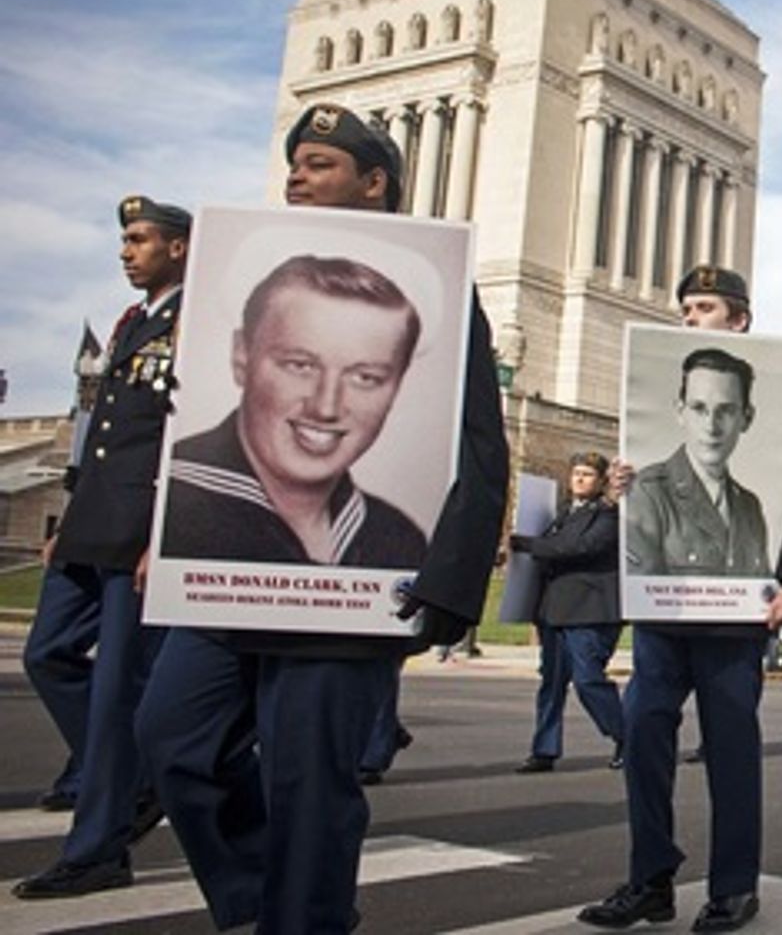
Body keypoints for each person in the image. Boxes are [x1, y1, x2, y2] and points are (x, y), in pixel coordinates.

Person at [137, 103, 510, 935]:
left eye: (319, 164)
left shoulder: (445, 297)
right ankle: (271, 899)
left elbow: (479, 442)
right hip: (221, 582)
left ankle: (300, 915)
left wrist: (449, 581)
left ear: (373, 183)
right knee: (173, 742)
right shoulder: (236, 331)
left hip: (352, 600)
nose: (297, 178)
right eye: (295, 163)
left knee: (311, 785)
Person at [578, 265, 782, 934]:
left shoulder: (751, 493)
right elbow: (637, 542)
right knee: (645, 737)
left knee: (733, 753)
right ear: (681, 410)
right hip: (665, 621)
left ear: (739, 319)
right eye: (684, 309)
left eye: (705, 307)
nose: (690, 316)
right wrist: (620, 493)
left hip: (733, 631)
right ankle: (650, 878)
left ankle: (734, 886)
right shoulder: (653, 479)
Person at [15, 195, 189, 900]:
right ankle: (136, 773)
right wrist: (65, 526)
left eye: (140, 239)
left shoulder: (195, 324)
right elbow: (104, 428)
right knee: (47, 654)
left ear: (177, 248)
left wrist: (167, 533)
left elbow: (185, 434)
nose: (126, 250)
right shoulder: (132, 324)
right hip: (91, 526)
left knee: (119, 690)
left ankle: (97, 849)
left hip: (138, 532)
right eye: (124, 239)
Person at [160, 254, 428, 567]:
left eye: (365, 378)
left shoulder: (397, 539)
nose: (326, 407)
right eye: (300, 365)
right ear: (241, 357)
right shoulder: (173, 508)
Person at [514, 452, 627, 774]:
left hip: (590, 612)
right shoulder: (562, 513)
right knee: (551, 684)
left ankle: (628, 737)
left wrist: (527, 545)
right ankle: (544, 750)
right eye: (576, 473)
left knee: (589, 680)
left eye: (588, 474)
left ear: (601, 481)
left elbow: (577, 547)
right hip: (555, 612)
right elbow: (559, 546)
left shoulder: (609, 515)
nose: (579, 479)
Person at [626, 346, 769, 577]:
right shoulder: (648, 492)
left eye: (726, 411)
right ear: (680, 412)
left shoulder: (750, 507)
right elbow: (641, 596)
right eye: (699, 408)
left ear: (747, 418)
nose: (711, 427)